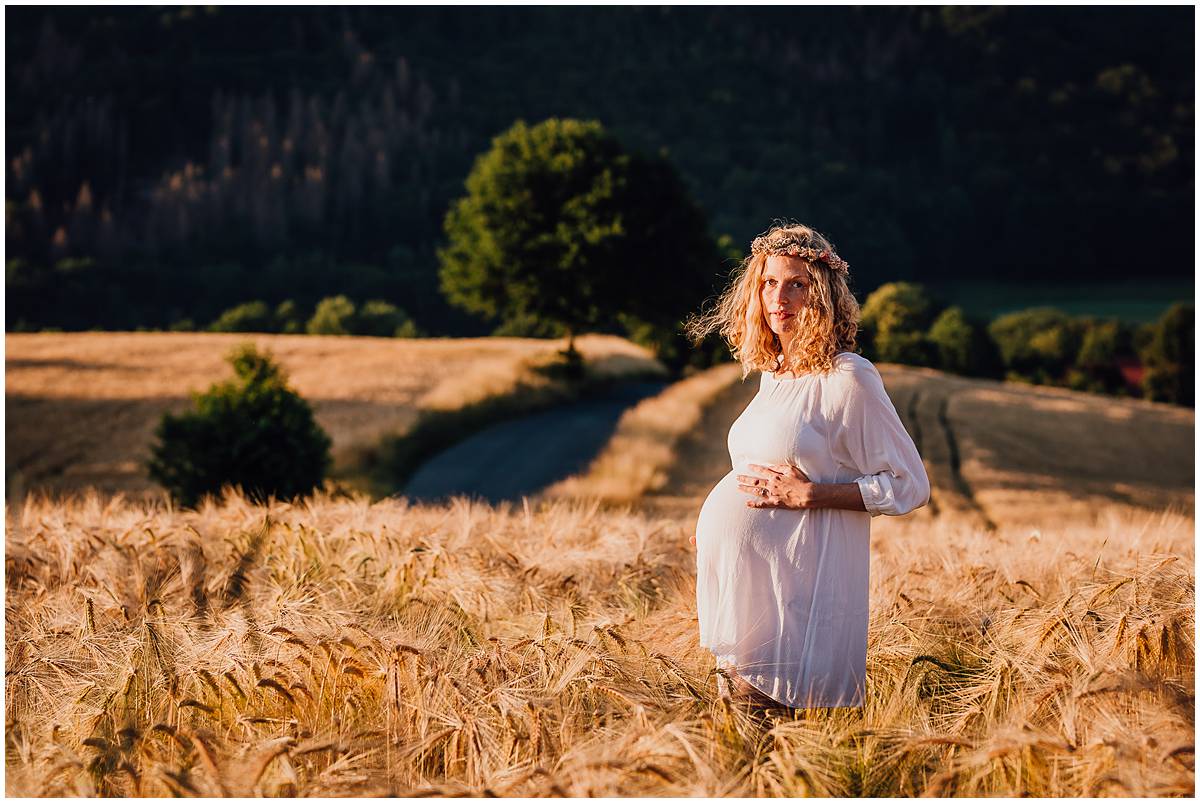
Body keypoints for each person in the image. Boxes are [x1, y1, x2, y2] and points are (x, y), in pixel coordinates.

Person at [683, 222, 930, 714]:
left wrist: (811, 496)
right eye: (770, 282)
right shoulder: (774, 378)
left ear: (822, 294)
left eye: (797, 284)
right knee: (742, 759)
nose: (780, 297)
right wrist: (714, 528)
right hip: (746, 591)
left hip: (791, 600)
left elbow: (909, 485)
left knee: (766, 751)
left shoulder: (847, 377)